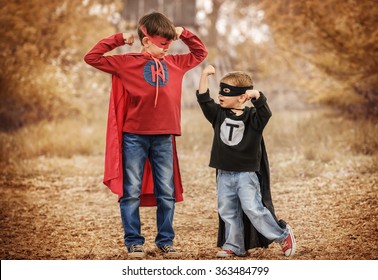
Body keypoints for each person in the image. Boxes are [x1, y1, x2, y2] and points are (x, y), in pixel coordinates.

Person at [84, 11, 207, 258]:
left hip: (164, 137)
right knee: (131, 191)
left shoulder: (175, 63)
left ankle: (166, 240)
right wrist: (119, 38)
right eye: (163, 44)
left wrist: (185, 34)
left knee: (166, 192)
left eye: (170, 44)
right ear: (146, 40)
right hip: (134, 137)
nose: (167, 49)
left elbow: (200, 53)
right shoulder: (126, 63)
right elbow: (92, 57)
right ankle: (134, 241)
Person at [196, 65, 296, 257]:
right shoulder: (218, 114)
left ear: (242, 97)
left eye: (227, 92)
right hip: (224, 173)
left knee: (253, 208)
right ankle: (234, 245)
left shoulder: (253, 118)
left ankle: (282, 235)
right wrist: (204, 76)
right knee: (227, 211)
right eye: (220, 91)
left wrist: (257, 95)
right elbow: (203, 99)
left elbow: (266, 112)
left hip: (246, 174)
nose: (221, 95)